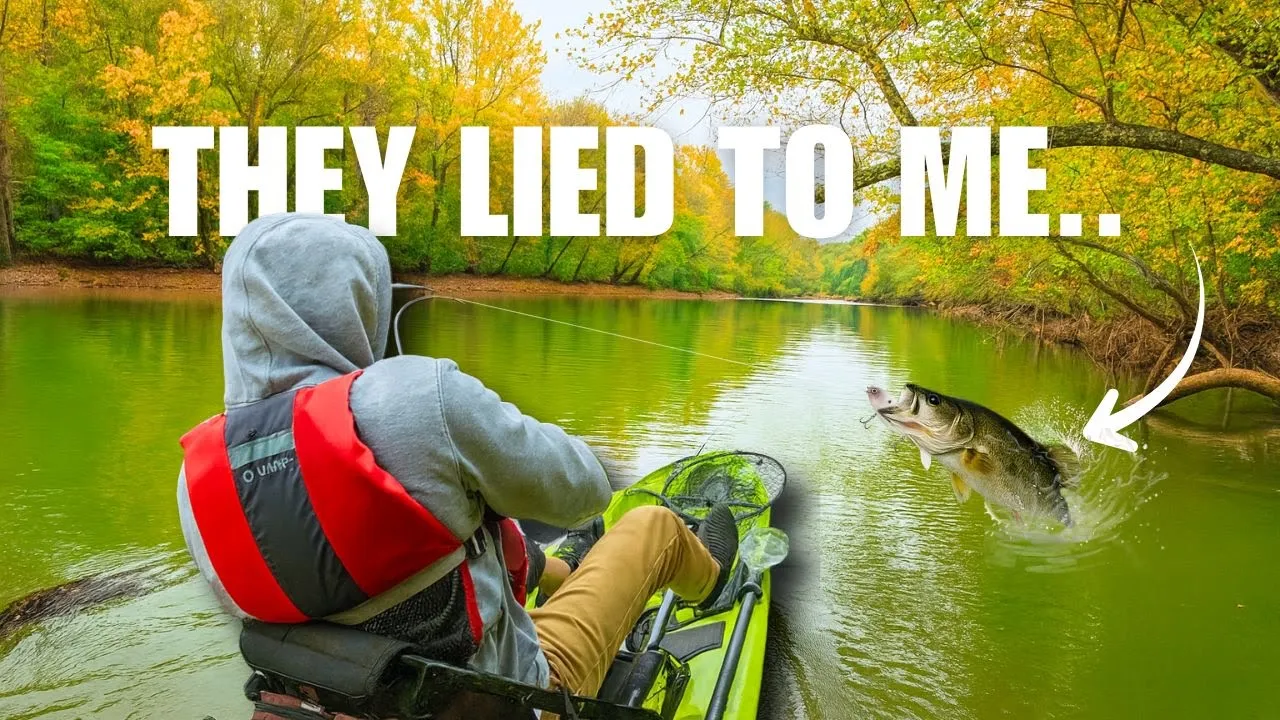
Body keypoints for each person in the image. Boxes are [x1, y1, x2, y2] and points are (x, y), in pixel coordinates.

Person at [175, 213, 739, 708]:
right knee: (653, 526)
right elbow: (586, 493)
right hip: (514, 700)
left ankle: (564, 571)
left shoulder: (197, 480)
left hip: (353, 699)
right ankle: (714, 583)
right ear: (361, 300)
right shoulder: (414, 394)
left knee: (458, 544)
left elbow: (360, 577)